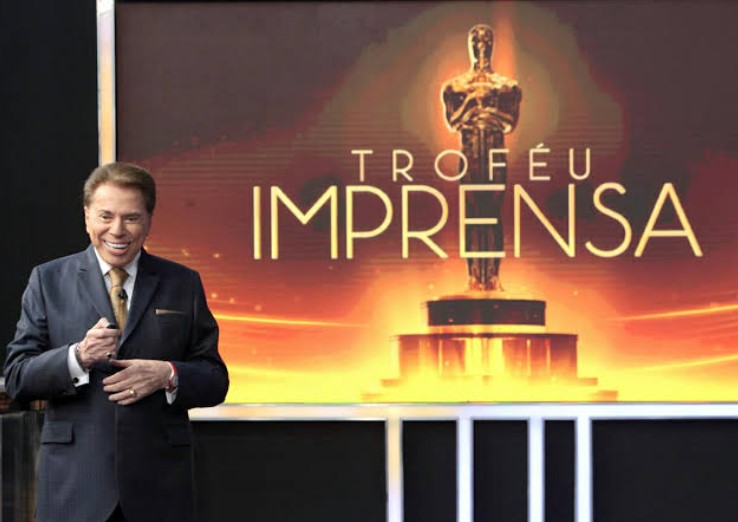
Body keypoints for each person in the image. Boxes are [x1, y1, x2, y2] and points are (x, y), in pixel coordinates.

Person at [4, 162, 229, 522]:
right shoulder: (48, 280)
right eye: (105, 216)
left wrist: (167, 375)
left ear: (149, 220)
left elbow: (215, 379)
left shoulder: (182, 283)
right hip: (75, 487)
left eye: (131, 218)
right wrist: (78, 357)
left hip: (159, 488)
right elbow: (18, 377)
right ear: (87, 217)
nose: (117, 230)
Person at [442, 24, 522, 291]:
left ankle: (493, 277)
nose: (481, 45)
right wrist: (472, 105)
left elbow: (510, 123)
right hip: (470, 153)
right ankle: (474, 276)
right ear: (469, 44)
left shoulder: (507, 87)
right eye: (476, 40)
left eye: (486, 40)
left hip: (494, 150)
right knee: (473, 214)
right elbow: (453, 122)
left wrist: (485, 112)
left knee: (493, 213)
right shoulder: (456, 86)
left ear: (492, 44)